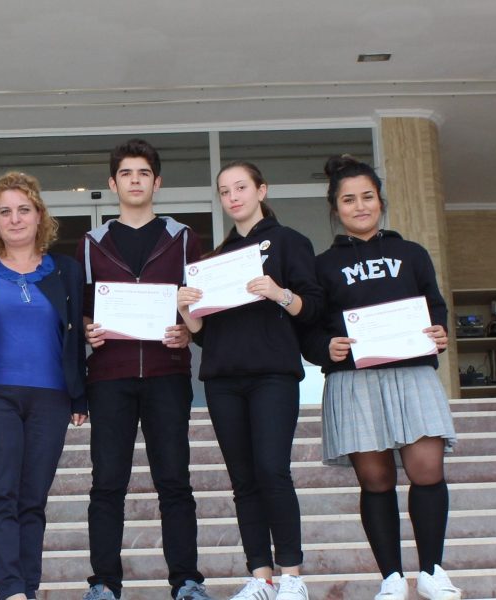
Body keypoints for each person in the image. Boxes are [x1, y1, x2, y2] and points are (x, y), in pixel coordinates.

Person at [303, 155, 460, 600]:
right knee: (375, 480)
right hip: (355, 381)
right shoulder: (321, 265)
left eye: (367, 197)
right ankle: (391, 576)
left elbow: (435, 306)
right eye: (349, 200)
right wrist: (325, 348)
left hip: (412, 374)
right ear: (336, 209)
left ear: (381, 201)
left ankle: (431, 572)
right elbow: (308, 327)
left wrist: (439, 331)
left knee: (427, 470)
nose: (360, 206)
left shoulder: (412, 253)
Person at [176, 161, 323, 600]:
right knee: (243, 480)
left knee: (272, 471)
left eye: (241, 187)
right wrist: (186, 311)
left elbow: (313, 308)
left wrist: (279, 293)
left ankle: (292, 575)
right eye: (225, 191)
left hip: (272, 375)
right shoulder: (214, 260)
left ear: (261, 190)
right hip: (223, 379)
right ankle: (261, 576)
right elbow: (204, 335)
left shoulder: (290, 242)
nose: (233, 197)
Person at [79, 138, 210, 600]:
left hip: (166, 373)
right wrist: (88, 330)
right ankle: (104, 584)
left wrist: (188, 331)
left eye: (143, 173)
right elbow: (84, 309)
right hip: (109, 376)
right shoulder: (91, 243)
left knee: (174, 480)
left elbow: (200, 305)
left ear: (157, 182)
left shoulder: (184, 237)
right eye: (126, 174)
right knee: (106, 484)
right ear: (113, 183)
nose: (135, 181)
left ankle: (186, 581)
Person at [0, 172, 88, 600]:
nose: (15, 219)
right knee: (1, 494)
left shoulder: (66, 270)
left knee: (33, 500)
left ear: (39, 216)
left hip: (51, 397)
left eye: (23, 210)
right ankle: (12, 591)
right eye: (5, 212)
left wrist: (80, 395)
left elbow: (75, 336)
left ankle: (28, 589)